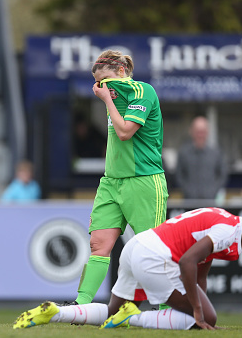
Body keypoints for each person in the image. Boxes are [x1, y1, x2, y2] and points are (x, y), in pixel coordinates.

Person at [13, 206, 242, 330]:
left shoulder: (226, 221)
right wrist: (199, 312)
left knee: (111, 313)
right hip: (155, 257)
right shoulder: (227, 231)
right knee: (202, 316)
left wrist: (201, 309)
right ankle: (134, 317)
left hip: (136, 247)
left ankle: (56, 312)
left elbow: (199, 275)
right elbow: (187, 263)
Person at [70, 50, 169, 306]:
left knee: (153, 251)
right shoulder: (113, 96)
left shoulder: (142, 91)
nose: (103, 88)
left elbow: (125, 132)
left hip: (144, 181)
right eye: (99, 83)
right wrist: (109, 98)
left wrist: (106, 99)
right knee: (98, 245)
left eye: (108, 81)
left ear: (122, 72)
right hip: (111, 182)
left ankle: (167, 309)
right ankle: (81, 306)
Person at [176, 116, 228, 200]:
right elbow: (179, 175)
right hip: (189, 202)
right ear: (192, 132)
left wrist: (213, 190)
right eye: (198, 132)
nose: (200, 135)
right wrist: (188, 191)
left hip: (210, 201)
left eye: (202, 132)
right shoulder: (183, 153)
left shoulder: (216, 153)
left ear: (207, 132)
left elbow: (222, 175)